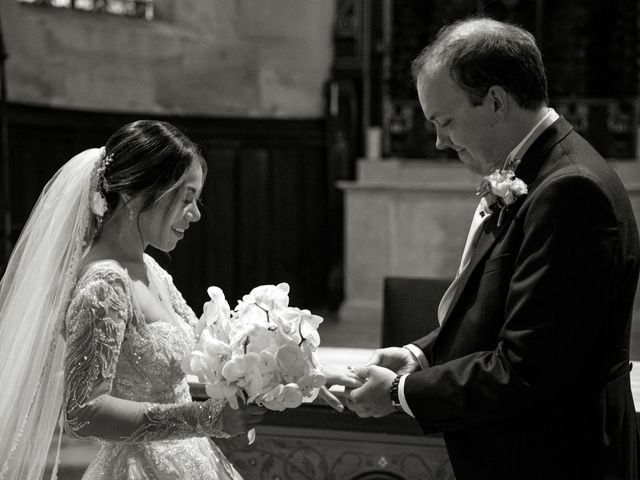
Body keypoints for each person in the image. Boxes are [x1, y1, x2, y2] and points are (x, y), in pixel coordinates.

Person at [344, 16, 640, 480]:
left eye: (445, 121)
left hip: (557, 459)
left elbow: (528, 367)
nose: (441, 141)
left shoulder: (572, 191)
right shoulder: (539, 170)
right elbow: (497, 307)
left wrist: (403, 392)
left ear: (497, 101)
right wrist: (422, 355)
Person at [0, 120, 358, 480]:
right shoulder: (105, 284)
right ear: (135, 193)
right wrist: (205, 418)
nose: (196, 214)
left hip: (188, 459)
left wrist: (299, 371)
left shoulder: (150, 268)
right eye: (186, 198)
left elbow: (217, 351)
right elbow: (83, 411)